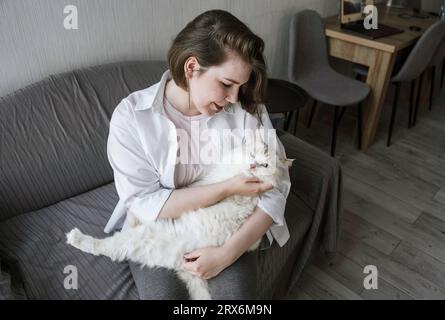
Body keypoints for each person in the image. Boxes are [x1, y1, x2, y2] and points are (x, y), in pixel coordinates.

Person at [104, 9, 291, 300]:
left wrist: (227, 253)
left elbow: (276, 188)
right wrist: (227, 187)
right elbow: (144, 202)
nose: (233, 98)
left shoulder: (245, 109)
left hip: (226, 223)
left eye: (239, 87)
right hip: (157, 224)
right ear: (191, 68)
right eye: (227, 84)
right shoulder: (131, 117)